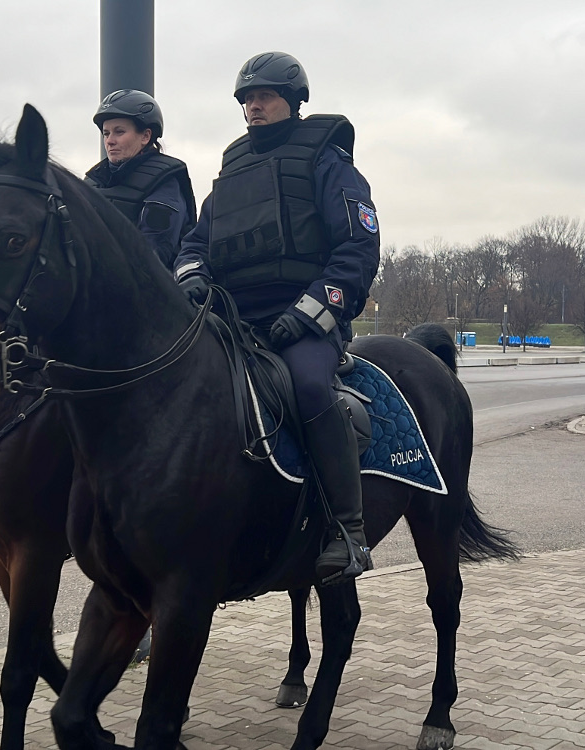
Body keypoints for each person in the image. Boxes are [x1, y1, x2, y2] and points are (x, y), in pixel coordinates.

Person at [173, 51, 380, 585]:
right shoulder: (233, 165)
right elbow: (197, 240)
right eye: (246, 99)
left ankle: (347, 532)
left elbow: (357, 249)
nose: (253, 107)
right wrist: (192, 272)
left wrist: (311, 312)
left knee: (310, 387)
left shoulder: (327, 160)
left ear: (292, 101)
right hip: (237, 321)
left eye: (263, 97)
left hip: (305, 319)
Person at [85, 89, 197, 270]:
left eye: (119, 132)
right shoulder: (91, 183)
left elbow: (154, 251)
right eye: (106, 133)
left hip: (148, 293)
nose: (110, 141)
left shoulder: (164, 182)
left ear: (145, 136)